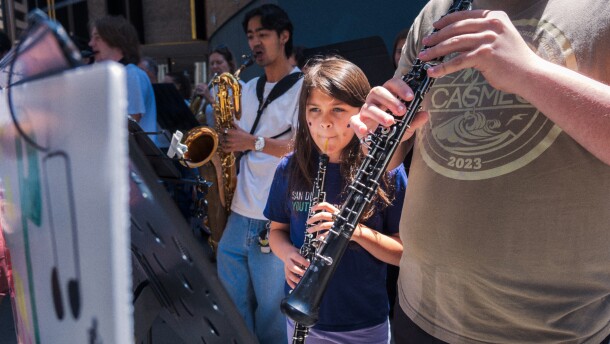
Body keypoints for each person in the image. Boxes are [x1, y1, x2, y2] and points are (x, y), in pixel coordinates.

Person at [351, 1, 610, 343]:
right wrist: (378, 129)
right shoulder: (436, 12)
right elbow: (397, 150)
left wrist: (529, 72)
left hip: (552, 331)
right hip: (420, 312)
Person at [264, 57, 406, 344]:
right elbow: (276, 231)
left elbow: (404, 253)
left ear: (362, 113)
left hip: (364, 324)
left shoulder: (386, 172)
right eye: (314, 109)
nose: (324, 123)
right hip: (303, 320)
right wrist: (287, 255)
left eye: (338, 110)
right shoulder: (290, 168)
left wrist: (351, 229)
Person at [215, 4, 303, 344]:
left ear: (284, 36)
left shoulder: (304, 88)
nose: (255, 43)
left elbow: (304, 149)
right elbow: (237, 141)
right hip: (240, 212)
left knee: (271, 314)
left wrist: (253, 142)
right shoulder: (247, 88)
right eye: (251, 36)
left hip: (275, 216)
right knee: (232, 305)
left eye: (263, 35)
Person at [89, 16, 158, 145]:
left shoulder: (131, 75)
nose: (91, 43)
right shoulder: (118, 75)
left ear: (116, 41)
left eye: (97, 38)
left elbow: (130, 123)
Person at [192, 44, 245, 126]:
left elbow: (231, 118)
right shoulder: (213, 87)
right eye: (212, 63)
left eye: (219, 62)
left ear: (230, 65)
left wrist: (210, 99)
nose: (214, 66)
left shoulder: (239, 87)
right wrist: (195, 99)